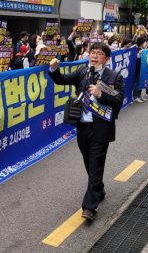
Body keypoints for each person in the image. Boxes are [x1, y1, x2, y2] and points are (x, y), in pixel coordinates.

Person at [48, 43, 124, 221]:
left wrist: (101, 94)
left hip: (101, 128)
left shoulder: (113, 77)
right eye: (92, 53)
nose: (94, 56)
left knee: (96, 164)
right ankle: (99, 189)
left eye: (98, 53)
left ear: (106, 58)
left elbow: (119, 99)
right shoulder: (83, 72)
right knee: (88, 163)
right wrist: (53, 70)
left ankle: (89, 207)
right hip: (82, 126)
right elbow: (63, 80)